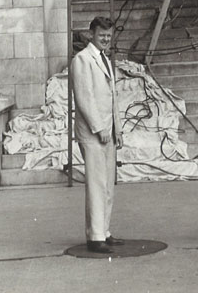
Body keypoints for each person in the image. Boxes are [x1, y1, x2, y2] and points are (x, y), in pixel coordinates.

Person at [71, 16, 124, 253]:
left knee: (107, 185)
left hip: (107, 131)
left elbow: (112, 98)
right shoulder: (82, 60)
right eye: (102, 35)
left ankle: (105, 230)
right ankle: (95, 237)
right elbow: (84, 99)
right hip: (93, 133)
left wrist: (117, 129)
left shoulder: (104, 59)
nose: (105, 39)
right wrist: (99, 128)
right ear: (91, 34)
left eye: (109, 36)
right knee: (96, 183)